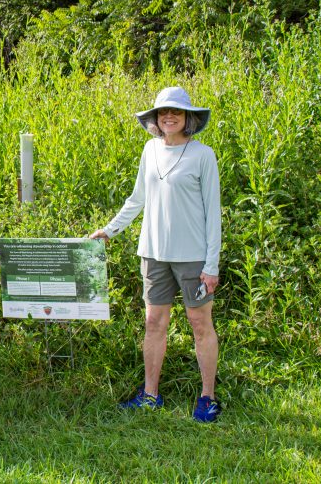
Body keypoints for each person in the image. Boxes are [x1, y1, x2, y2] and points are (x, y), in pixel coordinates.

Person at [90, 86, 222, 422]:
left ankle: (207, 397)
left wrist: (211, 265)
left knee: (200, 324)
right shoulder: (150, 150)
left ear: (188, 118)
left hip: (193, 257)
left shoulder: (203, 155)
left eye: (176, 112)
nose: (169, 117)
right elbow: (137, 199)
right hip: (153, 254)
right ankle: (150, 395)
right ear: (155, 118)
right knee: (153, 322)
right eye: (163, 112)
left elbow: (213, 214)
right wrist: (110, 230)